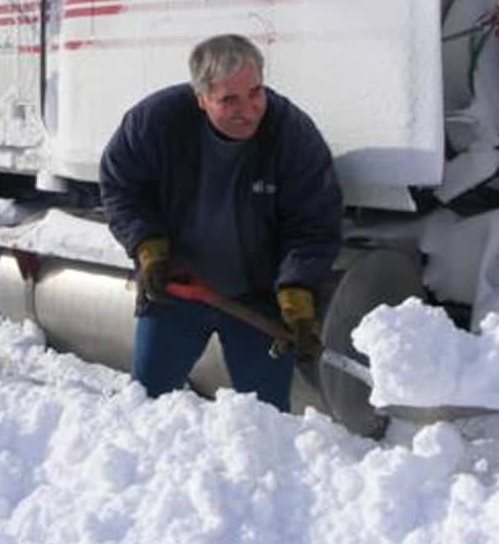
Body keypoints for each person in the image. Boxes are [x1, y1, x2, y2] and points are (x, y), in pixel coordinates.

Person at [99, 33, 343, 411]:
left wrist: (297, 292)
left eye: (256, 92)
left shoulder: (291, 135)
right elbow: (121, 187)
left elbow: (313, 223)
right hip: (177, 290)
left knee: (265, 422)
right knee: (145, 407)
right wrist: (149, 247)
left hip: (257, 301)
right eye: (229, 99)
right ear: (201, 99)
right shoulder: (157, 123)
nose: (248, 110)